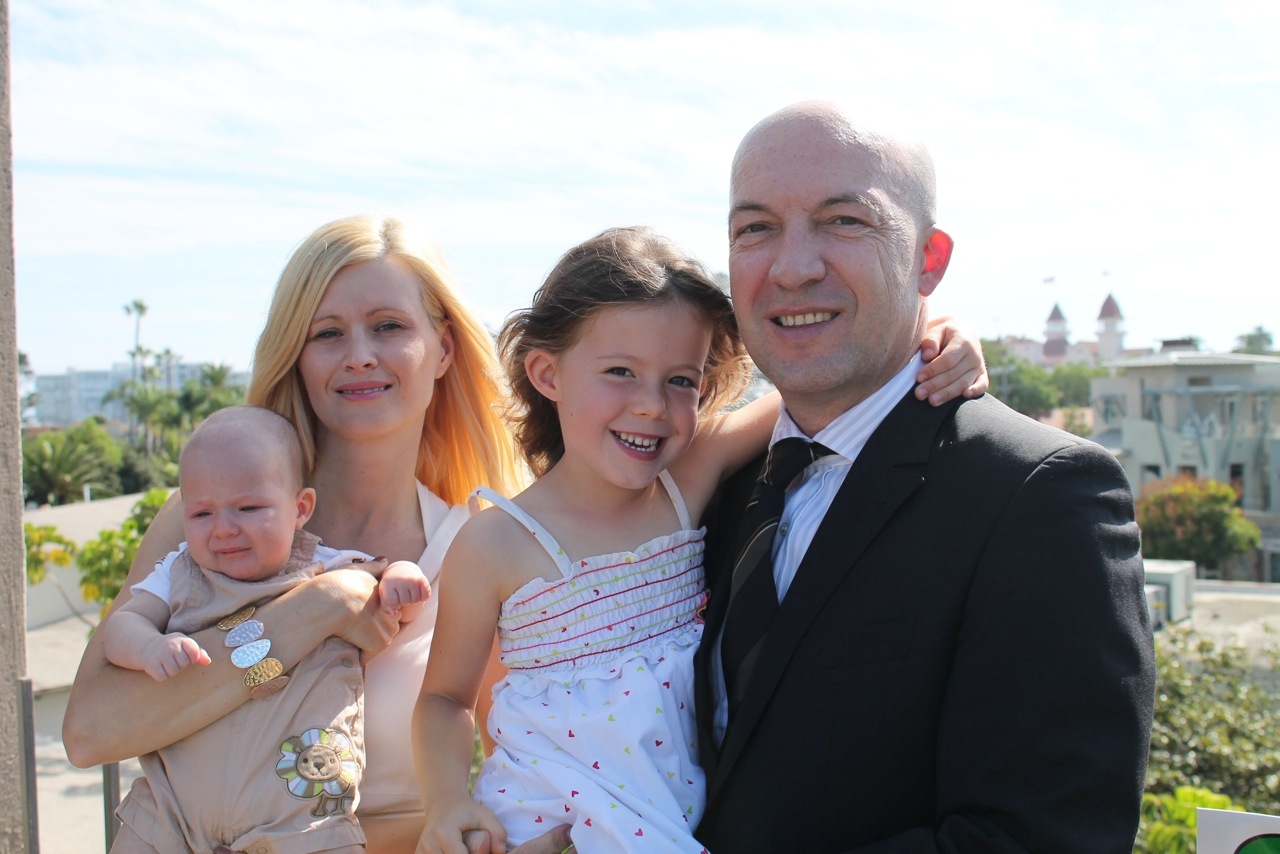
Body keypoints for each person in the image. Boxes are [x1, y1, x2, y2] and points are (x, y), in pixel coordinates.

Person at [413, 227, 989, 854]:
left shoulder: (683, 483)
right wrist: (448, 801)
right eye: (620, 372)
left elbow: (832, 384)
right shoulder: (496, 541)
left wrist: (939, 336)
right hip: (542, 825)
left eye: (681, 381)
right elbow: (445, 698)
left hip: (676, 824)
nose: (653, 406)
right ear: (547, 373)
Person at [692, 101, 1157, 852]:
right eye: (755, 228)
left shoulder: (1041, 497)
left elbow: (1041, 836)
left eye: (844, 221)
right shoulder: (707, 484)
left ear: (929, 260)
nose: (792, 265)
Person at [64, 215, 549, 854]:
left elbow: (512, 782)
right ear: (297, 353)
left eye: (389, 326)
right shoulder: (205, 520)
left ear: (445, 348)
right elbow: (91, 732)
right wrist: (315, 611)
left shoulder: (481, 547)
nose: (359, 355)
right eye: (327, 333)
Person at [102, 405, 430, 852]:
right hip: (170, 814)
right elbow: (121, 625)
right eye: (201, 515)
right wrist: (148, 648)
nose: (223, 529)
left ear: (300, 508)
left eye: (248, 508)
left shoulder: (331, 569)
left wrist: (403, 577)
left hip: (300, 821)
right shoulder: (176, 574)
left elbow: (390, 608)